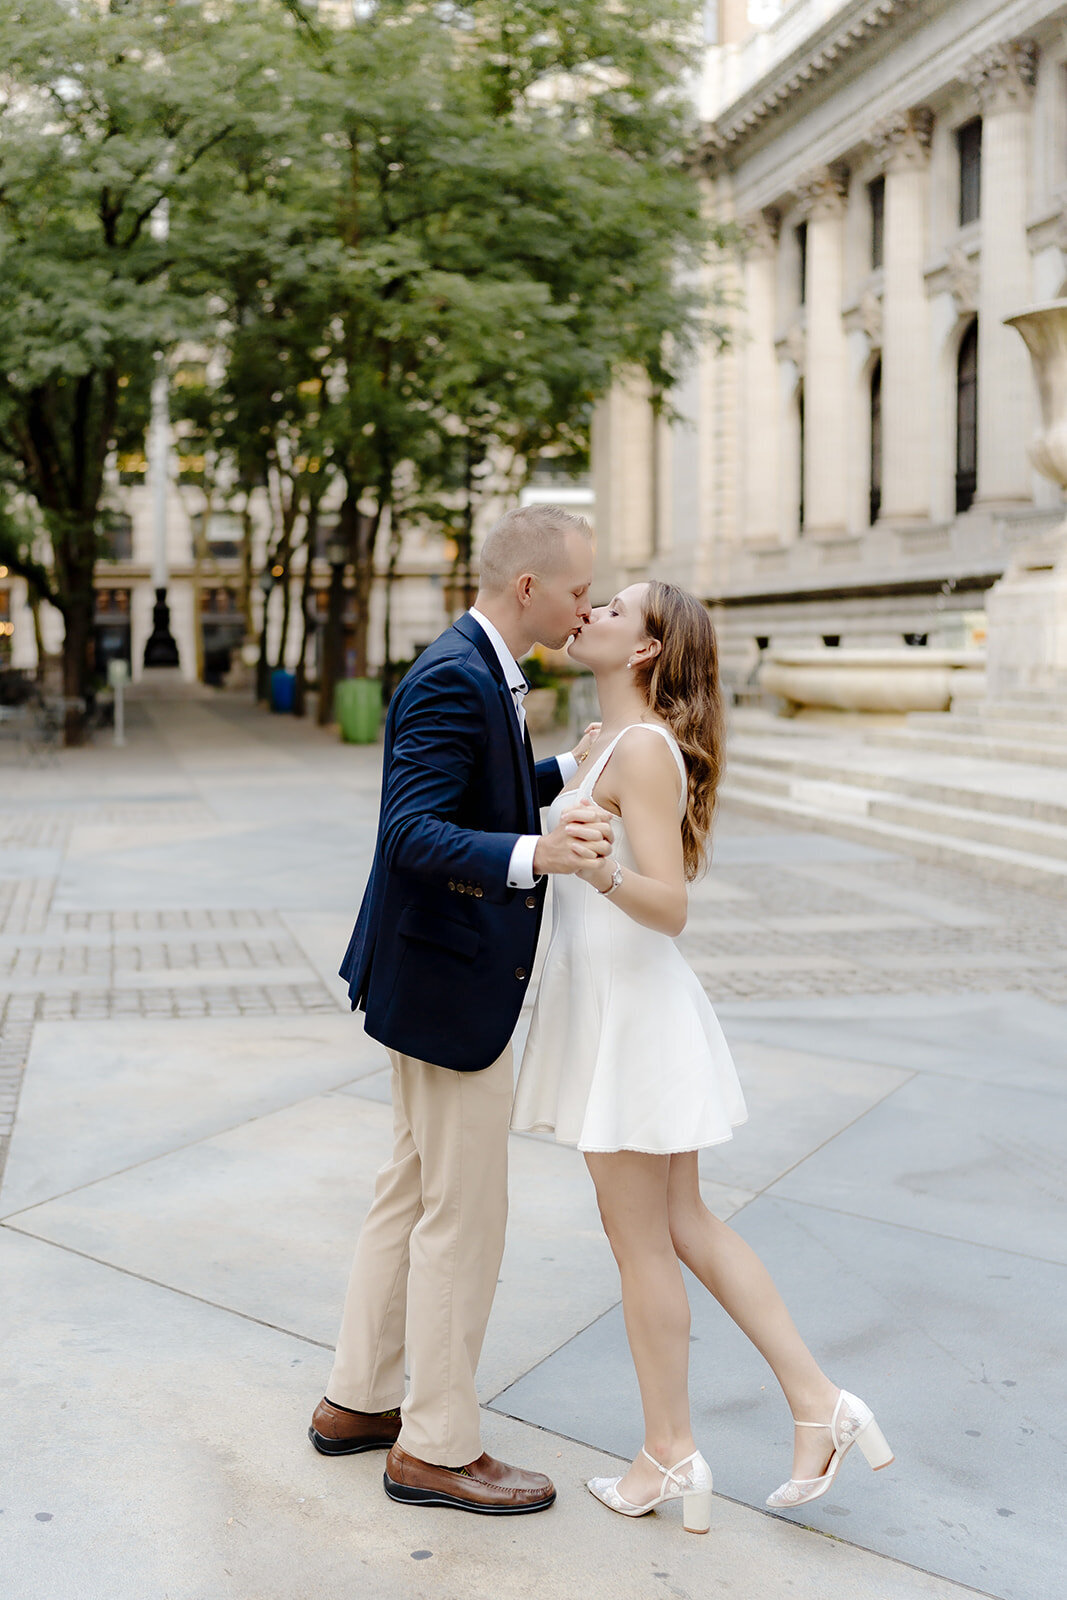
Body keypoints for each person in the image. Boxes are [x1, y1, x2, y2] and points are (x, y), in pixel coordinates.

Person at [512, 580, 893, 1534]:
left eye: (612, 608)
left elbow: (670, 903)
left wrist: (596, 869)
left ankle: (670, 1450)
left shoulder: (638, 749)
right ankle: (821, 1406)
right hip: (622, 1006)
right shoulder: (600, 743)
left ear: (643, 651)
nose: (589, 611)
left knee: (643, 1240)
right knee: (682, 1224)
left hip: (632, 1012)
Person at [310, 504, 615, 1517]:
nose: (584, 607)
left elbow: (475, 797)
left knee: (409, 1192)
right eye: (577, 589)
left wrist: (562, 771)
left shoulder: (474, 665)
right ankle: (435, 1446)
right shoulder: (454, 673)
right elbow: (412, 832)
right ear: (527, 588)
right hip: (448, 990)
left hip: (425, 979)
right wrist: (540, 852)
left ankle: (358, 1400)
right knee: (462, 1218)